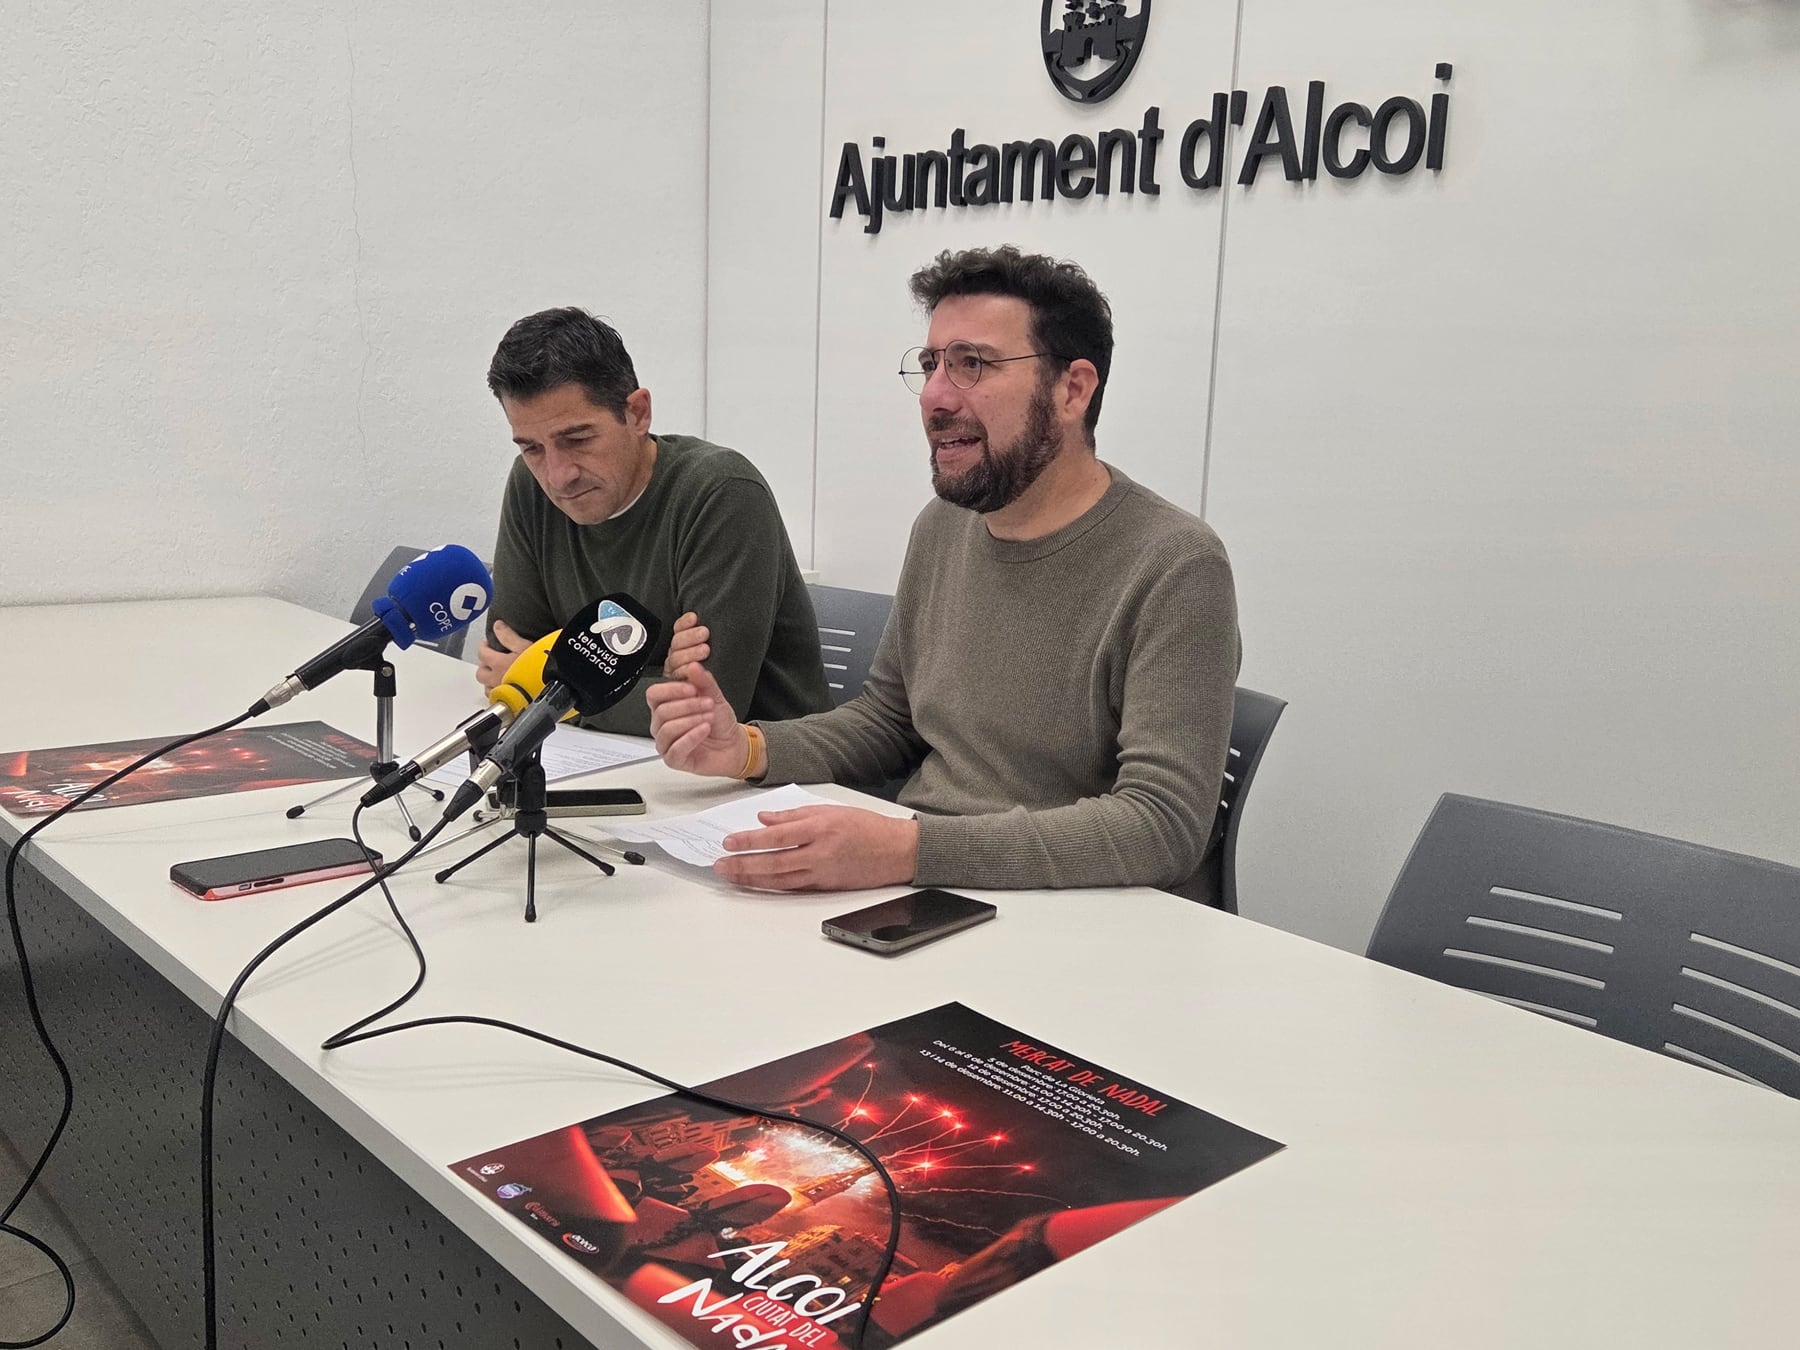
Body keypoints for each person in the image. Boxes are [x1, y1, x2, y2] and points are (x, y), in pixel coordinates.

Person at [647, 246, 1240, 901]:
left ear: (1073, 389)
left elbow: (1162, 828)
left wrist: (910, 851)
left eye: (973, 365)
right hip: (924, 886)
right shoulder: (942, 527)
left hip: (1072, 919)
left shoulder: (1176, 565)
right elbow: (889, 721)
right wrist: (749, 749)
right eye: (931, 365)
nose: (934, 396)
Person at [477, 307, 831, 735]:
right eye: (531, 448)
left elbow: (705, 708)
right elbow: (503, 654)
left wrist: (543, 684)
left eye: (578, 439)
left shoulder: (723, 494)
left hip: (762, 778)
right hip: (609, 759)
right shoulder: (531, 487)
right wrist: (656, 680)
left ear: (638, 413)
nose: (558, 475)